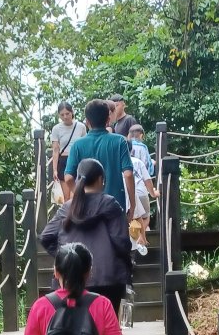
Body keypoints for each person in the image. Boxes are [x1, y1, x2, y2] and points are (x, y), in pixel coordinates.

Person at [39, 158, 132, 313]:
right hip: (108, 278)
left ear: (78, 179)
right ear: (101, 179)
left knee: (73, 330)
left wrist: (69, 256)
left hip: (72, 278)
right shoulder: (110, 204)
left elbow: (46, 237)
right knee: (105, 328)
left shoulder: (67, 207)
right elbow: (121, 242)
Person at [64, 99, 136, 218]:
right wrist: (132, 205)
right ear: (108, 120)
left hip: (87, 208)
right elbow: (128, 174)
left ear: (87, 122)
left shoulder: (77, 145)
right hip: (115, 205)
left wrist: (80, 196)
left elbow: (68, 178)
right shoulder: (120, 141)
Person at [127, 139, 159, 248]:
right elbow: (147, 180)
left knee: (131, 218)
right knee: (145, 217)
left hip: (127, 193)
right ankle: (140, 237)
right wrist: (153, 193)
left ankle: (135, 237)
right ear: (131, 149)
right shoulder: (137, 162)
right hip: (140, 192)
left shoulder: (117, 162)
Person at [50, 101, 86, 182]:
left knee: (76, 193)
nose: (65, 117)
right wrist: (55, 170)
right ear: (59, 115)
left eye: (67, 113)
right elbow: (55, 150)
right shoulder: (56, 129)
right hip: (64, 160)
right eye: (62, 115)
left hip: (78, 160)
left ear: (72, 112)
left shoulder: (81, 127)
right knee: (66, 194)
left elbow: (85, 145)